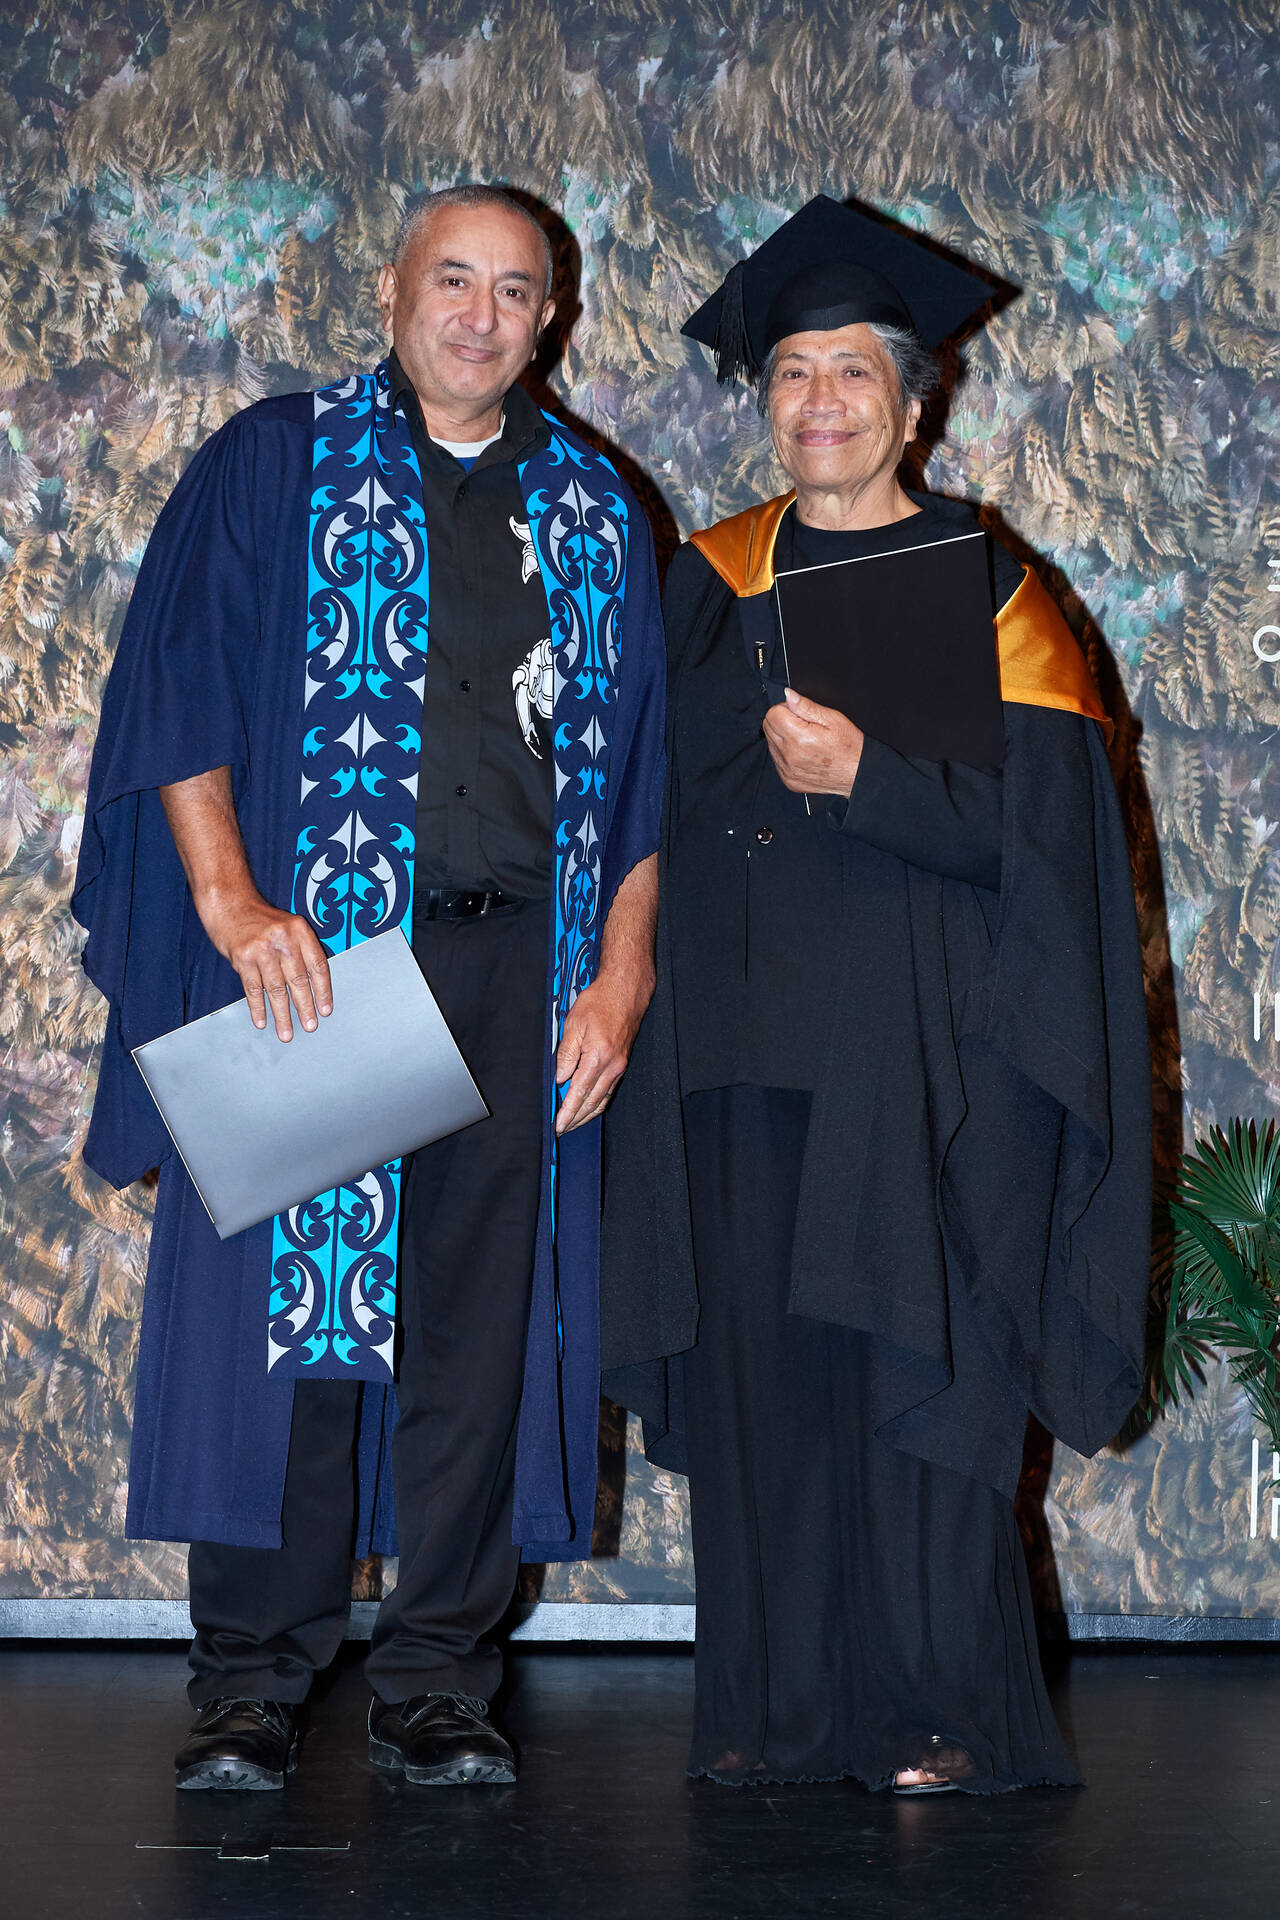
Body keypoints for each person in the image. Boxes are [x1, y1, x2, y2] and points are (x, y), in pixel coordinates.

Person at [73, 185, 665, 1789]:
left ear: (551, 319)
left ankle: (438, 1682)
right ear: (394, 290)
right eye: (453, 279)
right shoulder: (280, 463)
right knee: (299, 1331)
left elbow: (641, 785)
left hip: (518, 963)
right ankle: (252, 1682)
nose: (480, 314)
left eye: (515, 290)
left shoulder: (596, 508)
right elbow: (181, 691)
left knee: (478, 1336)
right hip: (329, 955)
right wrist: (229, 899)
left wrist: (618, 976)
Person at [602, 197, 1150, 1794]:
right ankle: (773, 1715)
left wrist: (873, 782)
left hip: (931, 1060)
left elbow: (1052, 849)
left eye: (853, 371)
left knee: (923, 1377)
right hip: (736, 1051)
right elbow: (636, 810)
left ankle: (937, 1712)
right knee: (767, 1391)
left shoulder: (995, 596)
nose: (819, 399)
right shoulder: (703, 583)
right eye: (791, 373)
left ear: (915, 406)